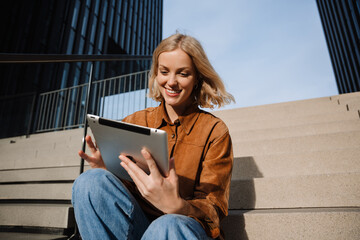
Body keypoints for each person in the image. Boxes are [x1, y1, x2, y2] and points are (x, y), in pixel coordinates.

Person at [72, 33, 235, 240]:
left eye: (183, 74)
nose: (171, 82)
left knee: (167, 224)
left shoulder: (215, 131)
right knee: (90, 181)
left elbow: (214, 208)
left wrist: (179, 206)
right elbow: (122, 194)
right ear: (156, 74)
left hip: (179, 227)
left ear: (197, 78)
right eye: (164, 71)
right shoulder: (135, 120)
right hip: (135, 226)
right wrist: (108, 169)